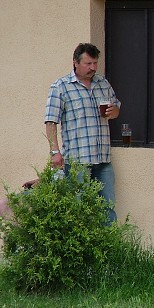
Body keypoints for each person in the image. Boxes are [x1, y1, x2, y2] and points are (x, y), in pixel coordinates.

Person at [44, 43, 121, 224]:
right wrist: (54, 151)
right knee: (78, 209)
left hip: (103, 158)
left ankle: (109, 250)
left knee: (107, 208)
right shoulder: (60, 86)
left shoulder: (102, 83)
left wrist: (114, 111)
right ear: (75, 63)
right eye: (88, 63)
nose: (93, 68)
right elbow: (50, 121)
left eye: (95, 63)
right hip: (78, 160)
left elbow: (116, 106)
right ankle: (81, 250)